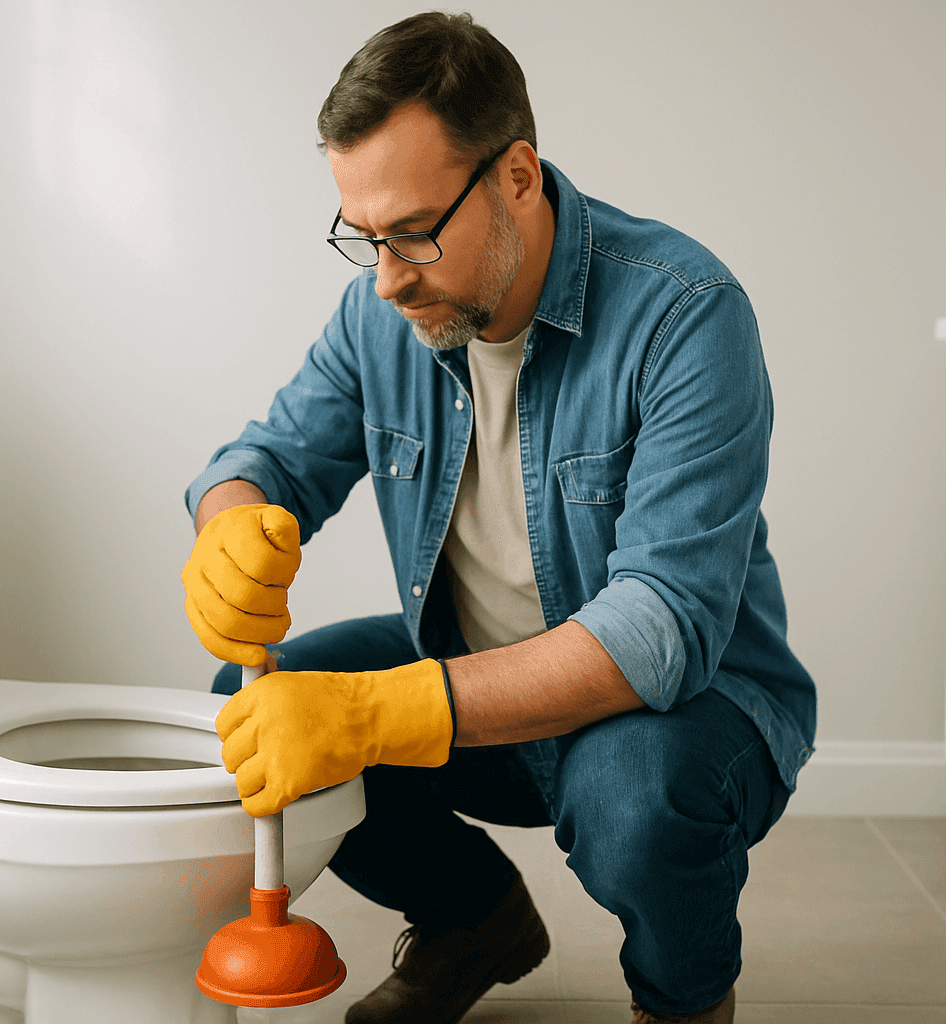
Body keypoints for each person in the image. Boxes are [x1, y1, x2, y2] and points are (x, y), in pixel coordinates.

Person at [181, 12, 816, 1024]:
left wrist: (375, 715)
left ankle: (687, 1001)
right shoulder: (382, 313)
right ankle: (475, 919)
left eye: (417, 231)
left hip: (682, 710)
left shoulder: (687, 313)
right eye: (365, 236)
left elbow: (659, 629)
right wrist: (229, 521)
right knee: (250, 699)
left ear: (518, 174)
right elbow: (265, 459)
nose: (388, 277)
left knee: (638, 802)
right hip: (482, 680)